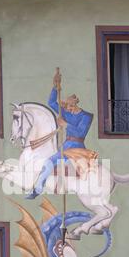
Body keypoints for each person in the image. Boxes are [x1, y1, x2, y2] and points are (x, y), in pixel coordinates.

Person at [26, 70, 93, 199]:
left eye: (70, 107)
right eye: (67, 107)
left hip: (77, 146)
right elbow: (51, 103)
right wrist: (55, 87)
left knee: (52, 161)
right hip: (66, 144)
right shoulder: (67, 113)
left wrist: (65, 124)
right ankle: (39, 187)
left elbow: (81, 132)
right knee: (48, 162)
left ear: (75, 104)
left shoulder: (86, 116)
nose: (68, 109)